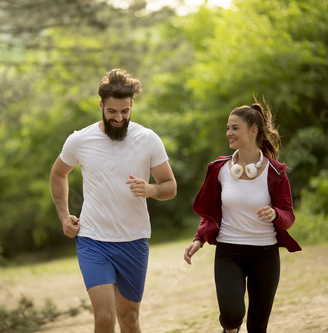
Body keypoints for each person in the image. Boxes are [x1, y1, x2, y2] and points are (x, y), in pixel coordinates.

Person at [50, 68, 177, 333]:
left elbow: (170, 186)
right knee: (105, 318)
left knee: (129, 319)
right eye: (112, 112)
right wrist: (64, 216)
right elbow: (58, 173)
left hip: (134, 239)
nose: (119, 118)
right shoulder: (80, 140)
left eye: (125, 112)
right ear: (101, 106)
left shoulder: (148, 139)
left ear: (131, 106)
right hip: (93, 240)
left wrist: (151, 190)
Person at [183, 100, 301, 333]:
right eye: (228, 127)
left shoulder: (276, 172)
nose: (229, 133)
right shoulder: (218, 169)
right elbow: (212, 214)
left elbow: (288, 217)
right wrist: (199, 238)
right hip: (229, 252)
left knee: (257, 326)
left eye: (234, 127)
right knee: (231, 316)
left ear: (253, 131)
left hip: (265, 255)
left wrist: (276, 213)